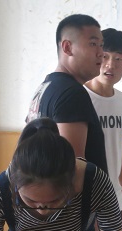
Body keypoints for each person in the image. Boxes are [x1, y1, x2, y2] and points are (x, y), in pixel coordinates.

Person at [26, 13, 107, 174]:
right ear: (67, 47)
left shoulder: (45, 87)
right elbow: (73, 170)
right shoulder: (72, 94)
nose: (101, 53)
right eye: (93, 44)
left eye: (101, 45)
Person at [85, 28, 122, 231]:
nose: (110, 65)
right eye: (105, 56)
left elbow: (121, 154)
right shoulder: (80, 96)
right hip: (85, 199)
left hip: (113, 198)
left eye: (118, 59)